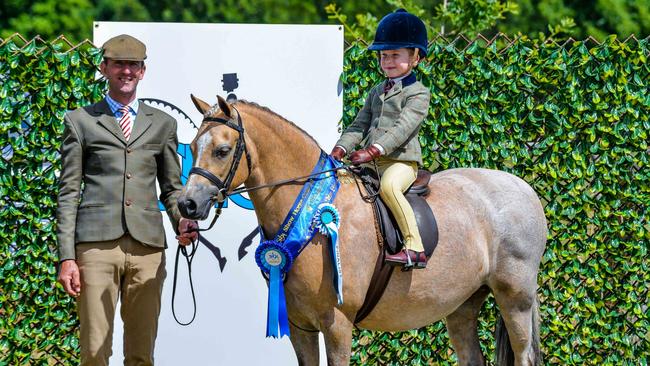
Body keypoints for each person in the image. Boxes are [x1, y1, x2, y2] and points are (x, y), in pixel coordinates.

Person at [56, 34, 198, 365]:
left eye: (133, 65)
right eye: (119, 63)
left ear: (143, 71)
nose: (126, 71)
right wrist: (66, 257)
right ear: (104, 68)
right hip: (94, 248)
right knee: (94, 352)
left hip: (148, 248)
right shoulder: (79, 121)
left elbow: (172, 188)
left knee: (141, 355)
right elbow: (67, 193)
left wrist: (182, 221)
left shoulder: (164, 124)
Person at [331, 9, 431, 269]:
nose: (387, 60)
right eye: (383, 55)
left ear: (416, 57)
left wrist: (373, 150)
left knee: (389, 187)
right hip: (370, 162)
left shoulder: (419, 93)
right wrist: (341, 148)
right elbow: (360, 123)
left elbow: (402, 128)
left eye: (395, 55)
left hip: (400, 162)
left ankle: (414, 247)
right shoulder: (377, 91)